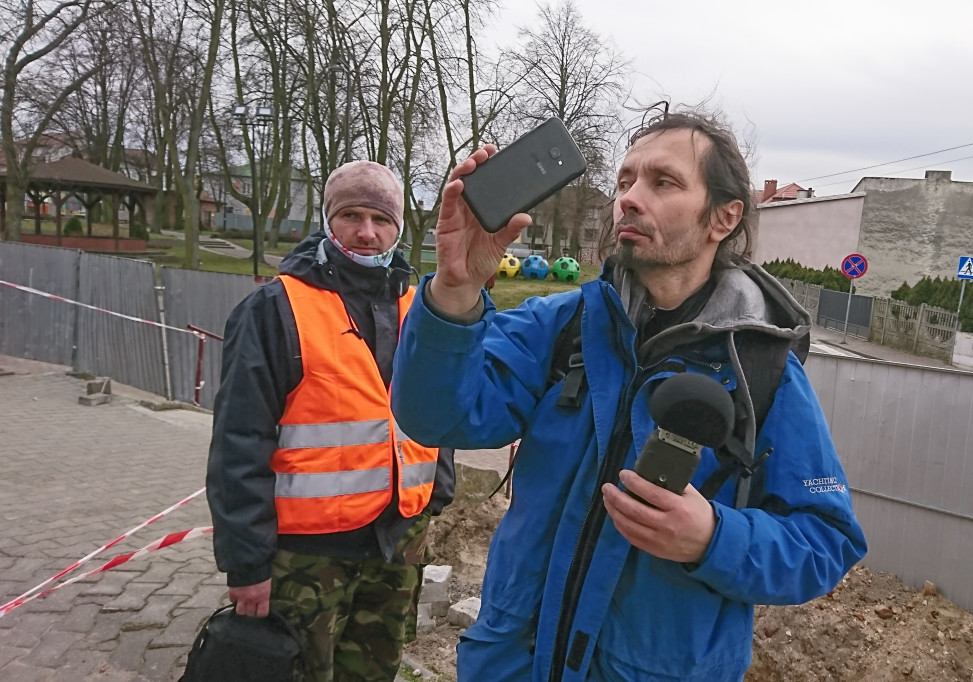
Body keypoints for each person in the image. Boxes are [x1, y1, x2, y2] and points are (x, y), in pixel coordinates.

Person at [390, 110, 867, 681]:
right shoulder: (561, 326)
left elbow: (825, 542)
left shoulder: (761, 369)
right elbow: (434, 418)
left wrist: (712, 538)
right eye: (624, 182)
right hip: (512, 662)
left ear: (723, 216)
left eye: (662, 182)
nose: (628, 200)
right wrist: (455, 290)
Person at [206, 160, 456, 682]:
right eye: (351, 215)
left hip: (397, 543)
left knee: (374, 673)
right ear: (327, 220)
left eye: (380, 219)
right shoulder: (275, 308)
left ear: (398, 227)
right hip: (307, 559)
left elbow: (440, 406)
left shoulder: (419, 306)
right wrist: (247, 564)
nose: (367, 232)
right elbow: (239, 441)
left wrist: (437, 490)